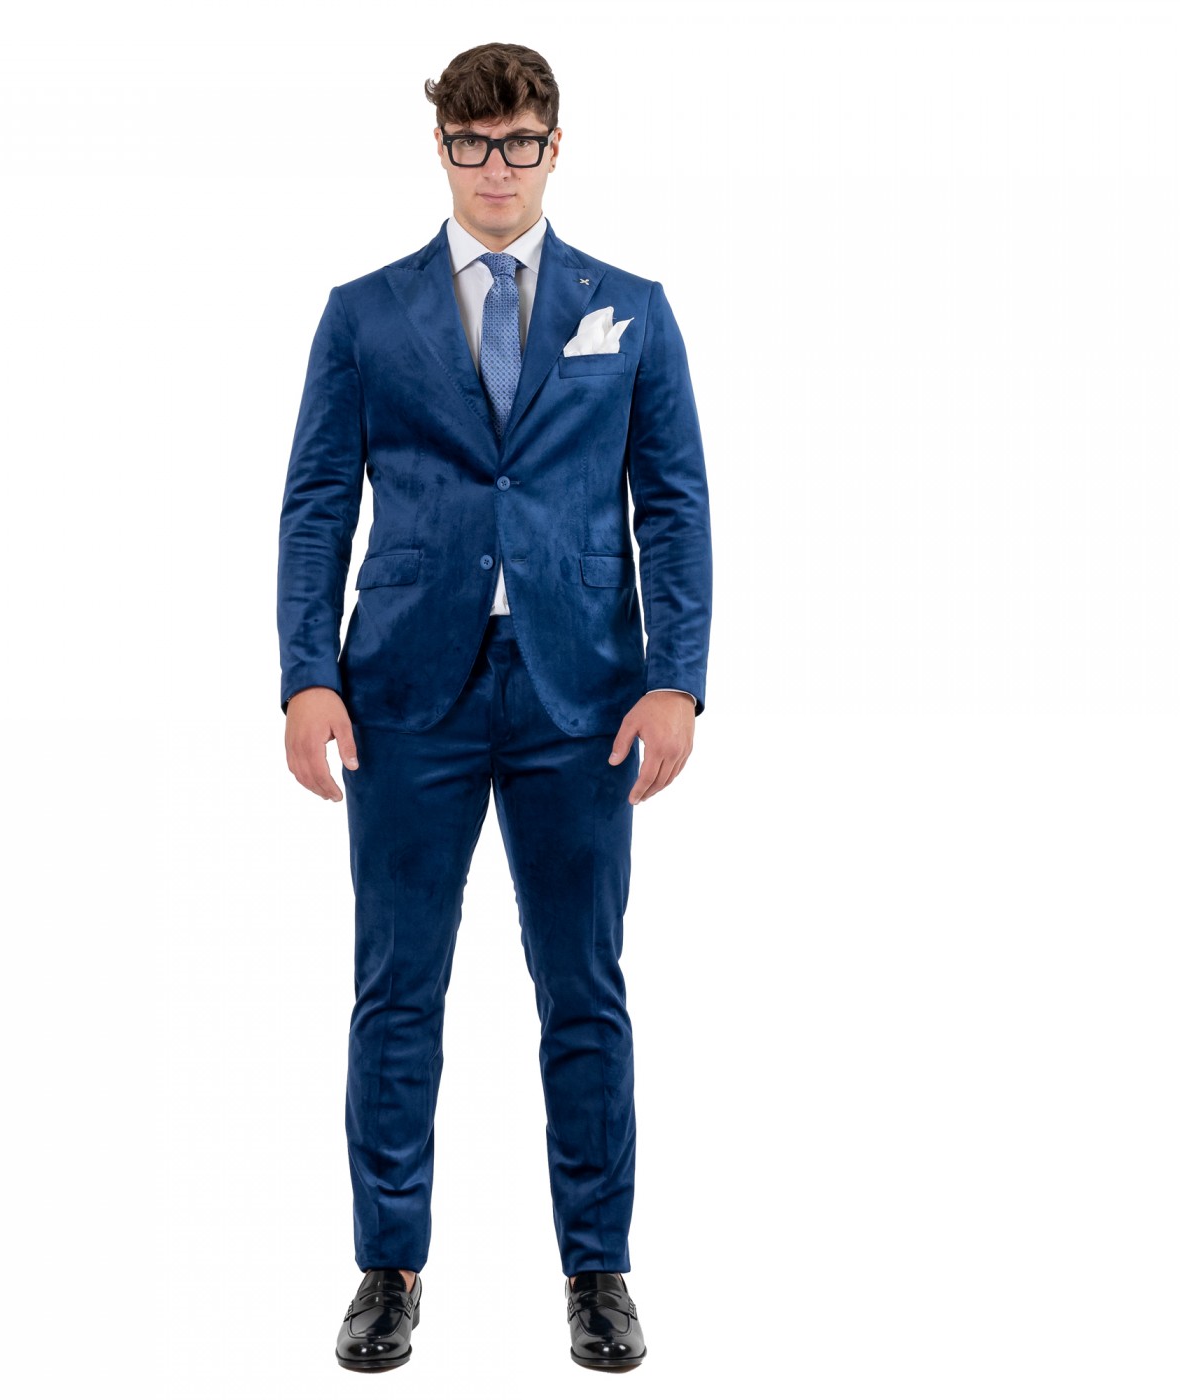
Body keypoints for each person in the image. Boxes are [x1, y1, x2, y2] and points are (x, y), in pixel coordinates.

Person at [277, 41, 712, 1372]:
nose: (496, 169)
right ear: (442, 150)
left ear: (555, 147)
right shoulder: (364, 315)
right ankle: (388, 1267)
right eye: (472, 145)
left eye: (519, 143)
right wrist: (306, 672)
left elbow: (672, 503)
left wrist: (677, 677)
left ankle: (598, 1269)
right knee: (396, 988)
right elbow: (317, 504)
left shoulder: (629, 309)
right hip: (405, 690)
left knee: (583, 989)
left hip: (584, 695)